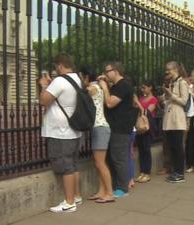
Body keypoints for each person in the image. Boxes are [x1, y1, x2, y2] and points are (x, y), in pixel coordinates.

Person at [39, 53, 82, 213]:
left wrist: (44, 85)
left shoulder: (59, 81)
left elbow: (44, 101)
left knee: (66, 167)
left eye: (56, 66)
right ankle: (76, 196)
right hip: (74, 129)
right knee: (73, 164)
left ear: (60, 65)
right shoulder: (76, 79)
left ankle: (69, 202)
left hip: (60, 131)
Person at [98, 61, 138, 198]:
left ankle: (122, 187)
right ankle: (116, 185)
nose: (105, 74)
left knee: (119, 158)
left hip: (120, 128)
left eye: (107, 71)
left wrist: (104, 87)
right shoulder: (116, 86)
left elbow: (110, 103)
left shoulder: (123, 85)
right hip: (114, 127)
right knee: (113, 158)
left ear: (115, 71)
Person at [80, 66, 115, 203]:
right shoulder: (98, 87)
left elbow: (80, 94)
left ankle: (109, 193)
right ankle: (102, 191)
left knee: (100, 163)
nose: (81, 80)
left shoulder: (92, 88)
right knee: (100, 163)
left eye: (81, 77)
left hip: (99, 127)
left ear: (87, 77)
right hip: (100, 127)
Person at [161, 61, 188, 183]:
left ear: (176, 69)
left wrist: (171, 95)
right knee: (171, 146)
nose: (167, 72)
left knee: (178, 146)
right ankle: (174, 171)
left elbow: (184, 101)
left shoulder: (182, 82)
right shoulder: (171, 83)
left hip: (177, 118)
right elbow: (169, 100)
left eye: (169, 69)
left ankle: (180, 172)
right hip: (169, 117)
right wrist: (165, 98)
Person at [135, 80, 158, 183]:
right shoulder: (141, 98)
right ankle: (142, 171)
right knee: (141, 149)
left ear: (150, 87)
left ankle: (147, 172)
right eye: (142, 87)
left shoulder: (153, 99)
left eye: (144, 87)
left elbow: (148, 111)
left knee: (146, 149)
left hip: (147, 125)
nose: (142, 89)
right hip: (140, 125)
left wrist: (138, 105)